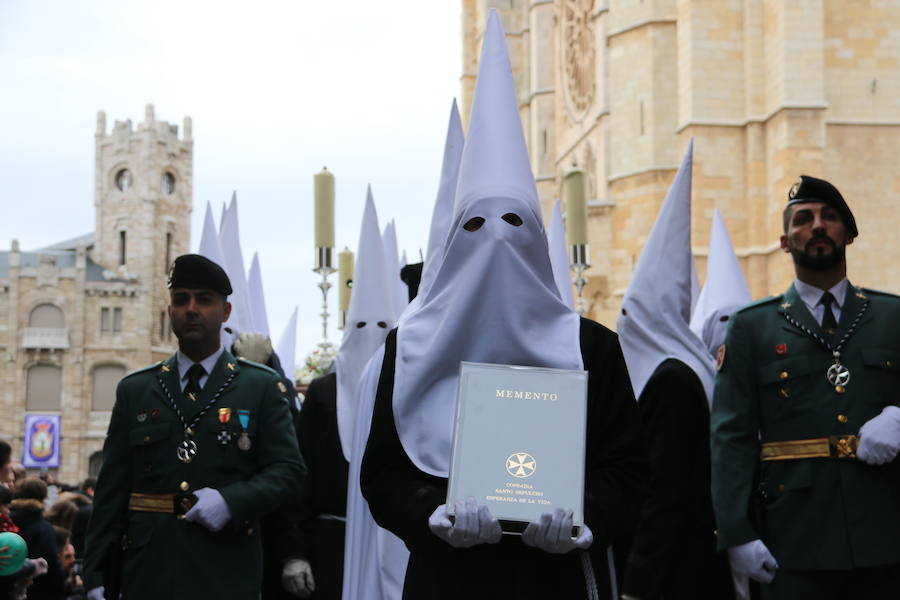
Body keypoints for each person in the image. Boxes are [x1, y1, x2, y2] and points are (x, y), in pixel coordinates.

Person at [360, 11, 647, 599]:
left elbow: (629, 468)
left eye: (515, 222)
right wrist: (429, 513)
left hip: (553, 578)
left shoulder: (591, 346)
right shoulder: (410, 347)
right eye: (476, 225)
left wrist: (582, 518)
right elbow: (382, 472)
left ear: (538, 241)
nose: (495, 239)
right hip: (446, 578)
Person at [711, 175, 900, 599]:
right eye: (803, 218)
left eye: (829, 217)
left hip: (885, 532)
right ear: (784, 240)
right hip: (793, 536)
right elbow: (731, 436)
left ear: (848, 234)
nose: (817, 225)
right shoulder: (752, 327)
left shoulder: (892, 316)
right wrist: (736, 532)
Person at [83, 254, 306, 600]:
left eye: (204, 299)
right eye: (181, 299)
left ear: (225, 312)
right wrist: (95, 570)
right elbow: (112, 489)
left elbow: (288, 471)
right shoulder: (137, 390)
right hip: (149, 570)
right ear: (170, 310)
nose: (191, 308)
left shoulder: (260, 386)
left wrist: (231, 501)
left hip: (225, 566)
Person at [616, 143, 734, 600]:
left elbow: (664, 494)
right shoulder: (695, 367)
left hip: (675, 571)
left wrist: (638, 582)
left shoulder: (669, 381)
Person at [10, 479, 65, 600]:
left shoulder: (6, 521)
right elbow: (51, 563)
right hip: (39, 591)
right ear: (44, 497)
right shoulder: (43, 528)